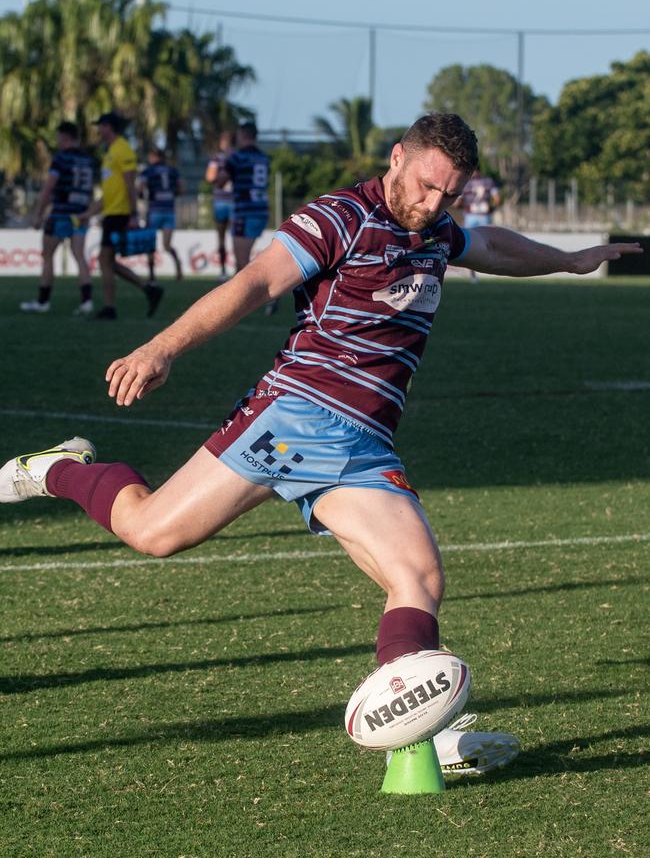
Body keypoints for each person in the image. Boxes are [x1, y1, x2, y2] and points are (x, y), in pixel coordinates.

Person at [0, 113, 641, 775]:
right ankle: (60, 471)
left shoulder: (435, 229)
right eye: (425, 186)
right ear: (397, 158)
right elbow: (255, 284)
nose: (433, 204)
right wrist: (161, 348)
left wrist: (571, 259)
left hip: (365, 445)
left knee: (416, 578)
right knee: (151, 531)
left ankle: (420, 738)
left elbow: (492, 247)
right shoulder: (341, 217)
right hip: (292, 419)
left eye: (450, 194)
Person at [79, 112, 163, 320]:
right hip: (111, 213)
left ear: (109, 127)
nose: (98, 130)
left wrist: (133, 214)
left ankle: (110, 308)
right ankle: (148, 289)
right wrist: (89, 213)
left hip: (120, 214)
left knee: (105, 260)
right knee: (107, 261)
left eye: (101, 126)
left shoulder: (122, 149)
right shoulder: (110, 152)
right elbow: (109, 193)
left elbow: (129, 185)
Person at [20, 121, 95, 316]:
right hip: (81, 214)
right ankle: (87, 302)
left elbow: (48, 188)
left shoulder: (61, 158)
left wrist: (38, 214)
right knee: (79, 256)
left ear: (64, 137)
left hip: (61, 213)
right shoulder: (87, 160)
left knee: (47, 255)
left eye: (58, 138)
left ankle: (43, 301)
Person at [215, 121, 270, 273]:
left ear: (242, 135)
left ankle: (268, 294)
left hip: (245, 212)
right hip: (261, 211)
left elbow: (220, 182)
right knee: (244, 263)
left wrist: (226, 161)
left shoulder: (237, 158)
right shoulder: (263, 158)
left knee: (242, 263)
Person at [137, 147, 186, 282]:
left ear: (152, 157)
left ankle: (152, 276)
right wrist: (171, 195)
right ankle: (178, 265)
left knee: (150, 245)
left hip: (154, 211)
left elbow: (140, 188)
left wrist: (142, 196)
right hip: (169, 211)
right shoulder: (172, 171)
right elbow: (182, 189)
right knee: (167, 245)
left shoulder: (148, 171)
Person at [459, 171, 501, 281]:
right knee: (487, 243)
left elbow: (459, 201)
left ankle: (473, 274)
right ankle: (486, 270)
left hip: (471, 216)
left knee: (470, 244)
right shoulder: (488, 182)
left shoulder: (466, 182)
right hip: (482, 215)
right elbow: (497, 199)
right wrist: (491, 209)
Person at [205, 131, 235, 278]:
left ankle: (223, 271)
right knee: (237, 239)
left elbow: (210, 177)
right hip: (235, 201)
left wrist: (221, 176)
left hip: (222, 201)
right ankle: (238, 270)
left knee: (221, 237)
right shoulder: (238, 157)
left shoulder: (217, 158)